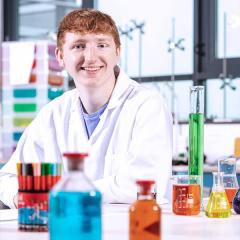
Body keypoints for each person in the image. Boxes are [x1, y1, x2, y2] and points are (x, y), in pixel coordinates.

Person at [0, 8, 172, 208]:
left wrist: (60, 195)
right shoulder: (53, 113)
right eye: (79, 46)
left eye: (101, 45)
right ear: (60, 56)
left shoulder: (147, 106)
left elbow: (143, 184)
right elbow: (7, 178)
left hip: (133, 231)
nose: (90, 57)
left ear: (117, 52)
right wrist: (21, 197)